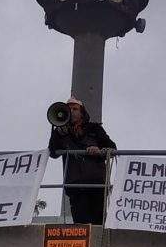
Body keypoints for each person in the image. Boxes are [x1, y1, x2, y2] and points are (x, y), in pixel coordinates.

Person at [48, 96, 117, 224]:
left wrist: (99, 150)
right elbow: (53, 152)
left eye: (75, 109)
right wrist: (57, 133)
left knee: (98, 224)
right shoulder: (60, 133)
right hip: (76, 187)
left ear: (82, 112)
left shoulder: (95, 129)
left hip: (97, 185)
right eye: (69, 109)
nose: (72, 111)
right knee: (81, 227)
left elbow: (112, 148)